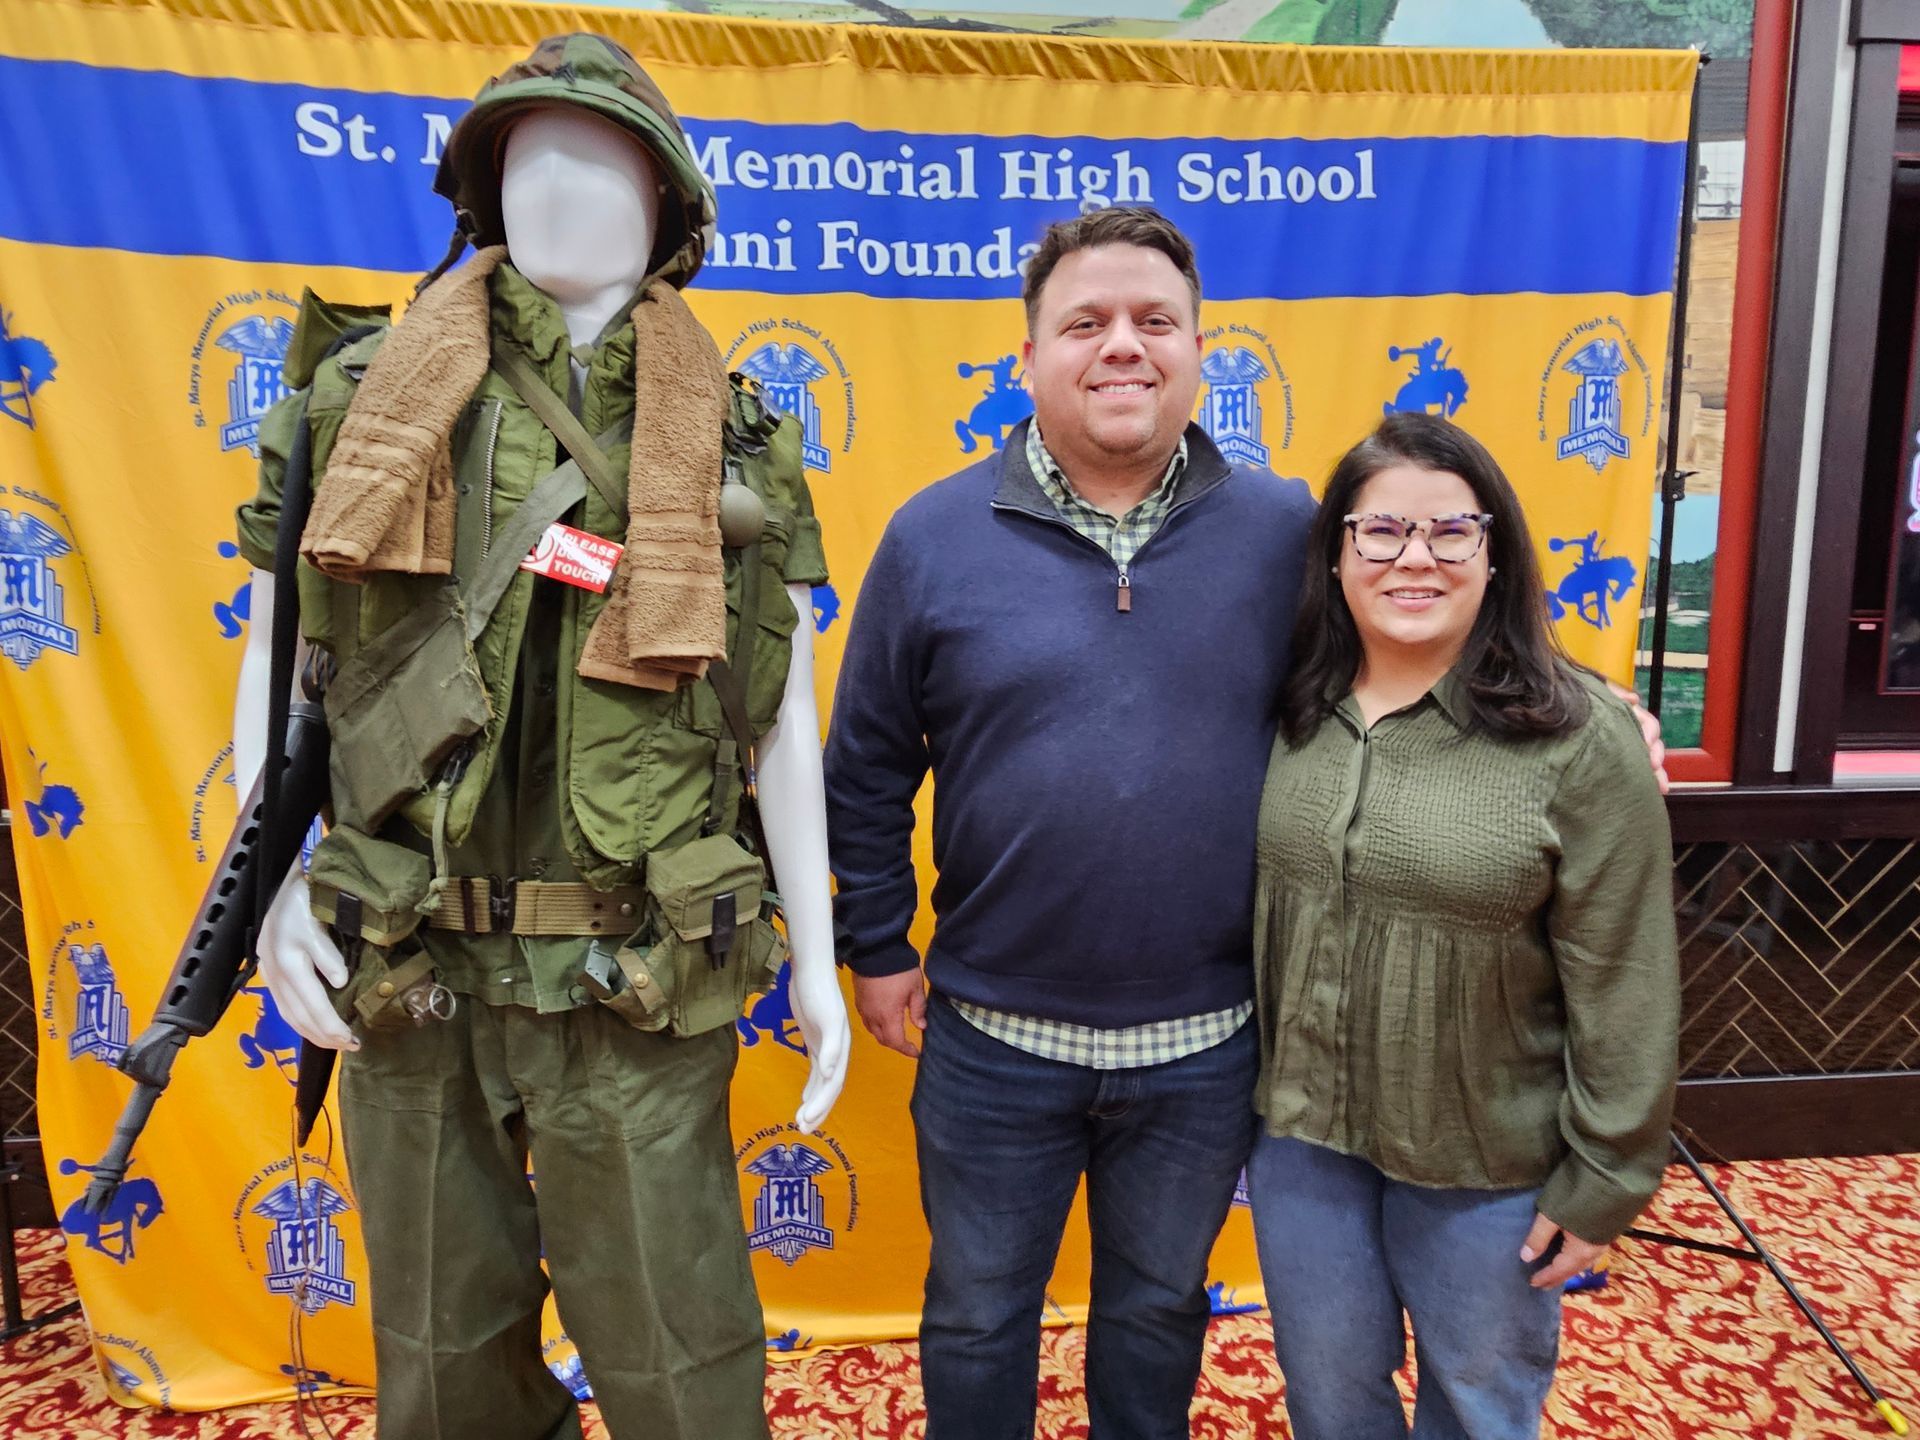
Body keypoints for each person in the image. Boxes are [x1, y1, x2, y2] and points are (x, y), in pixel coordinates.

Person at [232, 35, 848, 1440]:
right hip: (412, 956)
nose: (560, 188)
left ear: (669, 204)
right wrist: (265, 893)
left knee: (681, 1365)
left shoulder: (737, 441)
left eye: (601, 158)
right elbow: (288, 651)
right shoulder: (367, 399)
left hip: (628, 972)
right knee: (442, 1373)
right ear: (482, 190)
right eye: (526, 157)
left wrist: (815, 956)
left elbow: (779, 708)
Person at [824, 207, 1318, 1440]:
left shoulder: (1288, 531)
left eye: (1156, 322)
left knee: (1158, 1308)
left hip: (1209, 1039)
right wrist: (877, 946)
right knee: (980, 1311)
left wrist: (1582, 707)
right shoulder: (932, 535)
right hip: (993, 1037)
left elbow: (1418, 663)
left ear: (1201, 349)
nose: (1123, 348)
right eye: (1084, 323)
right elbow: (869, 761)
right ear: (1029, 355)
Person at [1245, 413, 1680, 1440]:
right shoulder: (1287, 712)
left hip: (1488, 1163)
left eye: (1451, 532)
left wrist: (1610, 1172)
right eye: (1381, 532)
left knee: (1479, 1410)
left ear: (1496, 553)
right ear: (1338, 553)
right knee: (1331, 1405)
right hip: (1306, 1147)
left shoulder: (1580, 738)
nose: (1415, 559)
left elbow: (1625, 977)